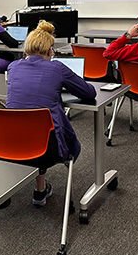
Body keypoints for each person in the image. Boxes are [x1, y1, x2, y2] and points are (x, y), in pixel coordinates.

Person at [6, 21, 96, 206]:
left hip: (11, 143)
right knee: (45, 128)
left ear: (26, 50)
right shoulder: (57, 67)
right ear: (50, 51)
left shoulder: (13, 67)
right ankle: (40, 190)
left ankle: (40, 189)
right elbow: (89, 93)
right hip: (48, 148)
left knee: (32, 123)